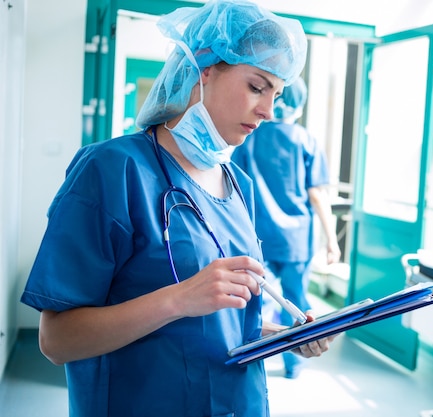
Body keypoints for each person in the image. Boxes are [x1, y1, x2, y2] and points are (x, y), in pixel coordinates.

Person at [20, 1, 335, 416]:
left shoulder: (239, 186)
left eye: (277, 94)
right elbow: (57, 341)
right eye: (257, 87)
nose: (268, 110)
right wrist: (179, 299)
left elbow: (217, 323)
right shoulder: (114, 170)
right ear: (203, 70)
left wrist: (282, 336)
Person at [231, 77, 341, 379]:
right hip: (295, 240)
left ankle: (257, 360)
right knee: (298, 303)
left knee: (258, 301)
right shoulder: (305, 140)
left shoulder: (248, 135)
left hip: (258, 237)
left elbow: (233, 185)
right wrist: (332, 240)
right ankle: (295, 364)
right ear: (299, 104)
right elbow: (317, 194)